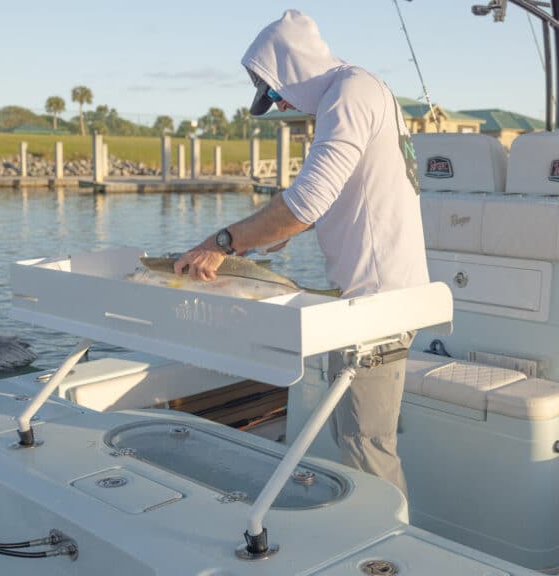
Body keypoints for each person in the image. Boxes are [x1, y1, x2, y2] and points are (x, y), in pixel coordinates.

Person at [173, 9, 429, 495]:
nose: (281, 102)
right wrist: (279, 227)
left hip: (377, 305)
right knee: (354, 436)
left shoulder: (348, 96)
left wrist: (221, 244)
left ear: (292, 66)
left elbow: (307, 203)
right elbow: (342, 199)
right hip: (375, 297)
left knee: (366, 443)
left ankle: (390, 560)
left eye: (273, 91)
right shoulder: (362, 89)